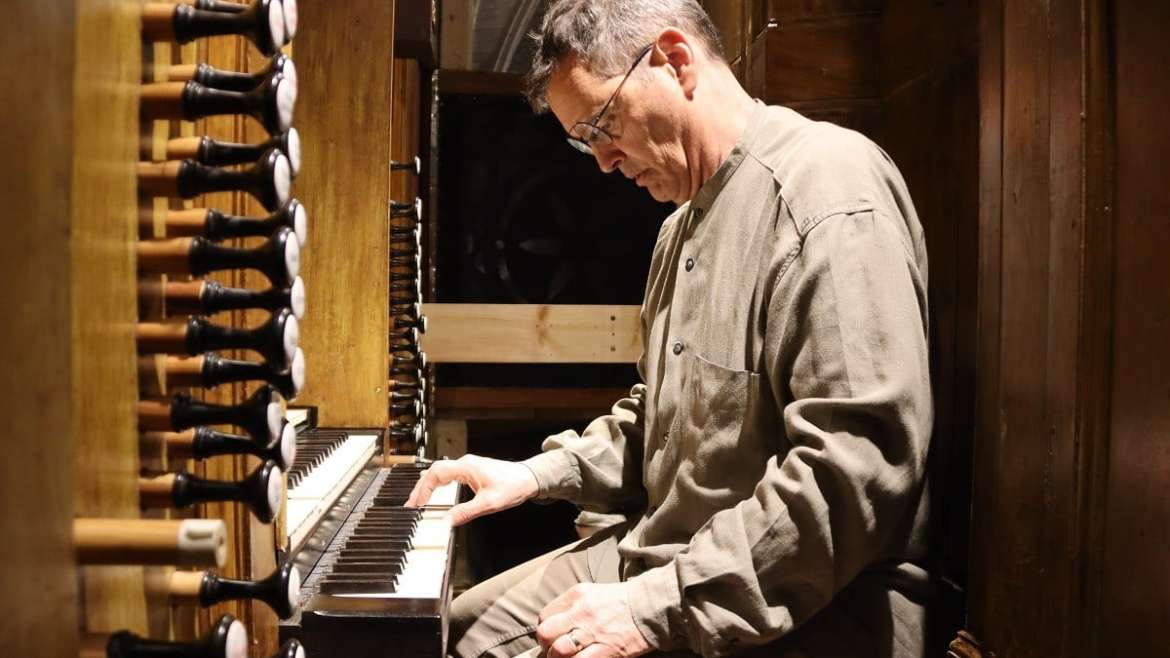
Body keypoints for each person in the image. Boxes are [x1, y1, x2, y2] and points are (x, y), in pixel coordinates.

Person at [406, 1, 933, 656]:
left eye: (602, 125)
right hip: (663, 553)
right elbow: (658, 419)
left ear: (675, 61)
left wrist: (657, 608)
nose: (600, 162)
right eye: (582, 140)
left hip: (815, 598)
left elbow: (853, 471)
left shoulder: (826, 188)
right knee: (446, 633)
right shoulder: (675, 232)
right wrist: (536, 475)